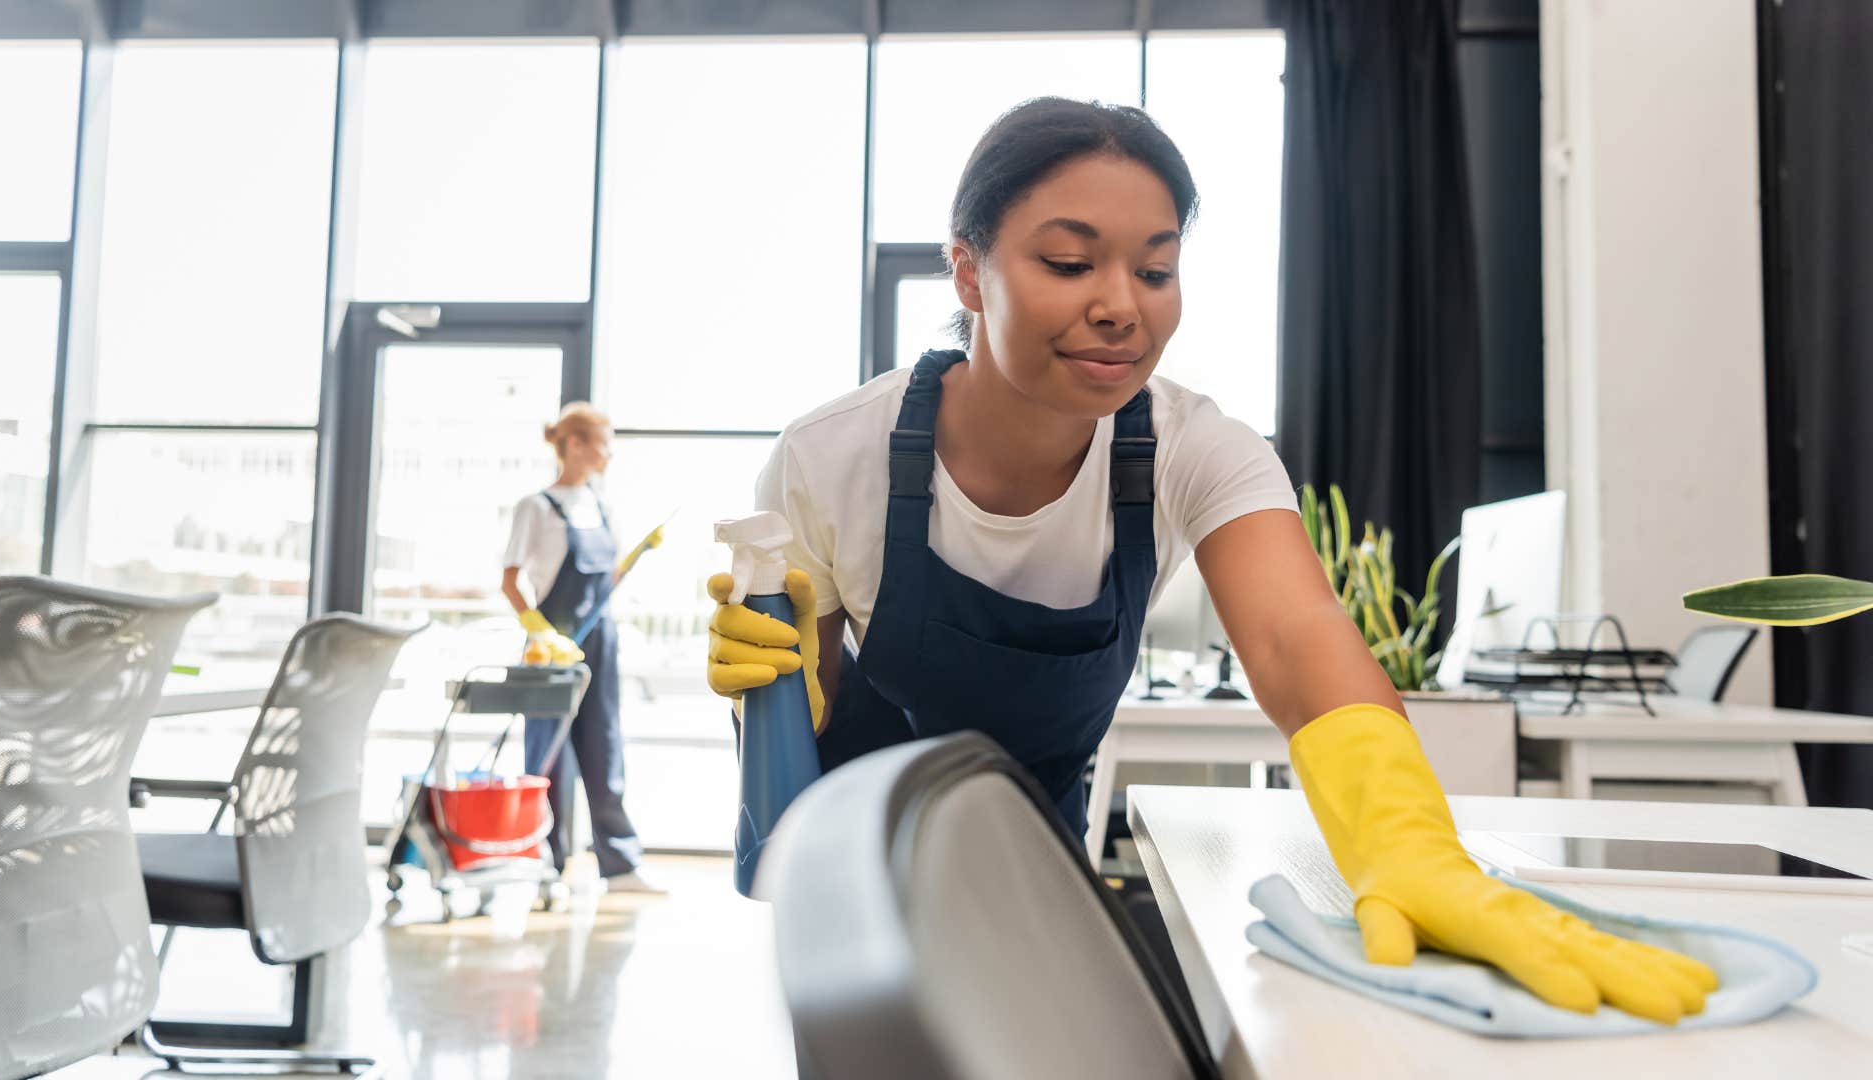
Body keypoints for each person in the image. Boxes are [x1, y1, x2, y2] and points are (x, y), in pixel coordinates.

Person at [704, 98, 1716, 1021]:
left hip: (1033, 869)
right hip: (857, 894)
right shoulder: (829, 457)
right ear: (968, 270)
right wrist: (775, 685)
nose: (1121, 305)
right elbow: (800, 733)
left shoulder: (1193, 447)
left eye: (1154, 268)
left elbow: (1295, 634)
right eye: (1069, 264)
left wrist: (1407, 843)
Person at [502, 403, 661, 894]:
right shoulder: (536, 506)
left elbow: (604, 580)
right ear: (574, 444)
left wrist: (635, 557)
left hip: (599, 640)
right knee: (545, 756)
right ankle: (545, 865)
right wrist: (538, 629)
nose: (609, 452)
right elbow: (510, 580)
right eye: (603, 441)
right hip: (550, 645)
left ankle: (619, 865)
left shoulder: (600, 504)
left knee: (603, 747)